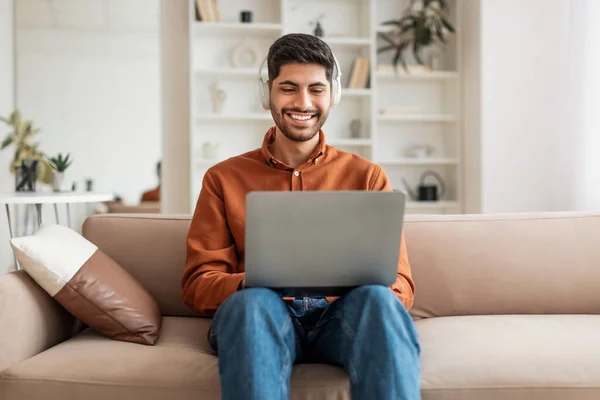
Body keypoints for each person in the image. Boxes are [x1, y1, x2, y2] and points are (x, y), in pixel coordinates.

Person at [182, 33, 421, 400]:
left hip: (342, 319)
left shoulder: (367, 177)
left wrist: (354, 286)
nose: (303, 102)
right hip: (263, 318)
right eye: (288, 88)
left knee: (378, 301)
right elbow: (198, 284)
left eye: (316, 89)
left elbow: (400, 287)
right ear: (268, 94)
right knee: (250, 306)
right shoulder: (222, 179)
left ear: (333, 95)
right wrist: (252, 283)